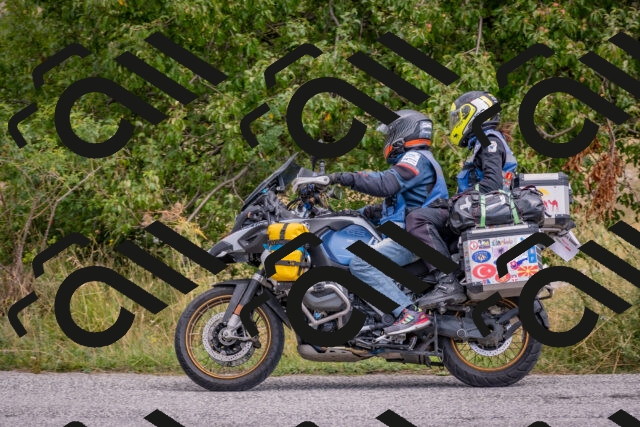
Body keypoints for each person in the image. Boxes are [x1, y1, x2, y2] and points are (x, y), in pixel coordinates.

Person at [328, 110, 449, 336]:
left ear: (402, 133)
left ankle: (408, 313)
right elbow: (389, 209)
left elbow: (385, 184)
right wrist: (344, 215)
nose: (387, 140)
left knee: (361, 264)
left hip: (413, 237)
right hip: (409, 233)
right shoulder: (418, 161)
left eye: (389, 134)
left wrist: (340, 177)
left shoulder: (416, 157)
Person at [409, 91, 518, 309]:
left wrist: (454, 202)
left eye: (458, 117)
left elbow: (492, 184)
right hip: (480, 211)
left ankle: (446, 281)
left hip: (482, 212)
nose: (456, 123)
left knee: (417, 219)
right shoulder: (485, 142)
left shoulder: (489, 142)